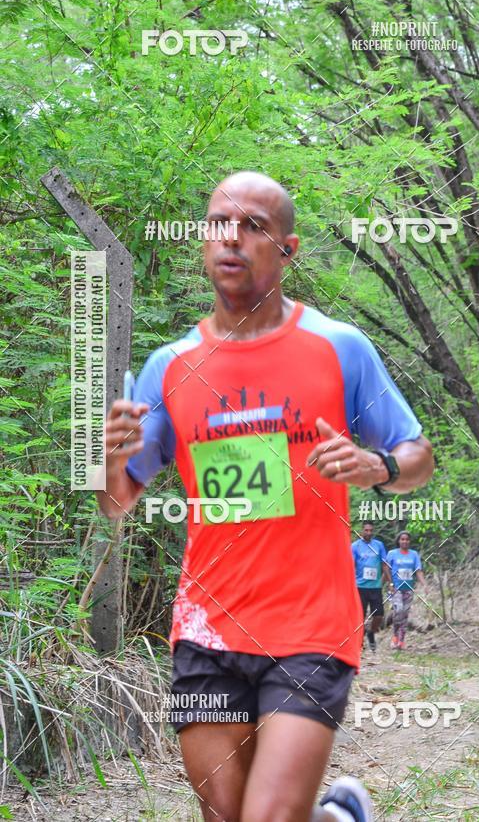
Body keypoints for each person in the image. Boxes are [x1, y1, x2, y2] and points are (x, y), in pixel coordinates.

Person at [96, 171, 434, 822]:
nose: (233, 237)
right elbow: (118, 501)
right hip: (206, 629)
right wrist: (110, 460)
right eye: (221, 223)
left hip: (311, 627)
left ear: (288, 248)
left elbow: (419, 456)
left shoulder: (339, 350)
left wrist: (377, 464)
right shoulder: (170, 366)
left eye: (254, 226)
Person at [351, 522, 390, 655]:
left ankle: (371, 632)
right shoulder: (355, 546)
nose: (368, 533)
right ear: (362, 531)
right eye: (366, 530)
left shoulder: (378, 545)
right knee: (360, 616)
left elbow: (384, 564)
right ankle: (359, 642)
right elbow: (351, 566)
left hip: (375, 586)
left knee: (379, 615)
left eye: (371, 530)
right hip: (360, 586)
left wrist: (390, 582)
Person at [386, 531, 426, 650]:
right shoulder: (392, 553)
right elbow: (386, 569)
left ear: (409, 541)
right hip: (396, 588)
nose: (405, 541)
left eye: (407, 539)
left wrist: (424, 584)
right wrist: (389, 583)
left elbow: (418, 571)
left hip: (408, 589)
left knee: (405, 614)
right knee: (398, 611)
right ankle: (394, 636)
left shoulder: (414, 554)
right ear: (398, 541)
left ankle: (401, 641)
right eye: (402, 539)